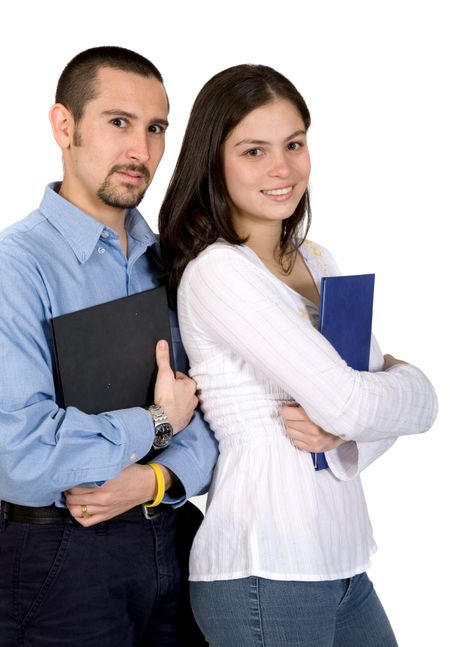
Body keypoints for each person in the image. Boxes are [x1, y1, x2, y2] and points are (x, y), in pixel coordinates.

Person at [158, 64, 439, 646]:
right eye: (253, 151)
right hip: (264, 571)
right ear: (214, 161)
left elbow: (397, 412)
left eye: (293, 144)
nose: (282, 169)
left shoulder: (318, 259)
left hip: (342, 561)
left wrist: (351, 426)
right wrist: (382, 395)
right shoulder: (219, 273)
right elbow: (355, 403)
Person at [0, 46, 218, 646]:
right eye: (118, 122)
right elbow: (17, 455)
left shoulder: (170, 261)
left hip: (172, 546)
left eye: (155, 129)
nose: (141, 152)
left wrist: (150, 482)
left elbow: (211, 416)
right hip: (59, 557)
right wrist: (155, 422)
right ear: (63, 126)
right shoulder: (14, 268)